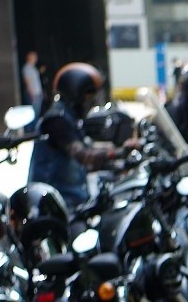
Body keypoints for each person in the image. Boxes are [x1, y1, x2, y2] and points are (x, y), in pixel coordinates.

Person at [27, 62, 124, 209]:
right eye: (89, 97)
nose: (91, 102)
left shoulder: (69, 117)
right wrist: (117, 153)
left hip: (71, 199)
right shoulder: (57, 120)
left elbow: (86, 150)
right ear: (75, 93)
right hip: (55, 204)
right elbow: (83, 155)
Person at [20, 50, 44, 119]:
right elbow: (27, 82)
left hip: (37, 94)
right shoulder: (27, 68)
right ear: (30, 57)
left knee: (36, 114)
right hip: (33, 96)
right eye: (34, 57)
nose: (36, 58)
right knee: (32, 115)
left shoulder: (33, 68)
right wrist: (31, 94)